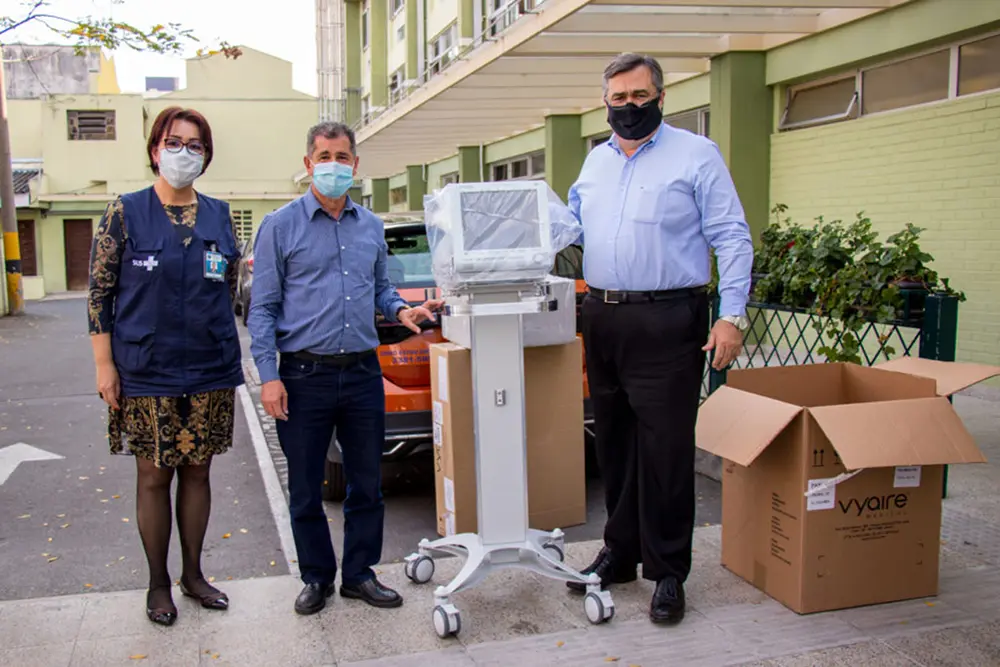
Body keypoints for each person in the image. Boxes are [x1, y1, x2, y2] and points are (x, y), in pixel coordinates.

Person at [565, 53, 753, 626]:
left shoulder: (697, 155)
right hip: (602, 317)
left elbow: (732, 237)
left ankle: (668, 571)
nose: (628, 108)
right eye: (617, 99)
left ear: (661, 97)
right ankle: (619, 553)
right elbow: (572, 229)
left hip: (671, 319)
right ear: (605, 102)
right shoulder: (594, 163)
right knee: (614, 443)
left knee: (667, 450)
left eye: (639, 96)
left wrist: (732, 317)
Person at [248, 121, 442, 616]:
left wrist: (400, 310)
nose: (333, 164)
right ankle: (316, 577)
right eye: (323, 156)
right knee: (307, 487)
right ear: (308, 163)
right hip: (302, 376)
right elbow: (263, 309)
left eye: (342, 156)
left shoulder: (371, 226)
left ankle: (359, 574)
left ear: (355, 165)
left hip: (361, 373)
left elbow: (381, 287)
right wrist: (268, 376)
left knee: (366, 483)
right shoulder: (280, 226)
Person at [88, 106, 244, 626]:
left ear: (206, 155)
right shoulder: (125, 211)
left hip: (209, 365)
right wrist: (105, 366)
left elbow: (230, 285)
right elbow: (99, 295)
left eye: (195, 145)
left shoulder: (220, 215)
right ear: (155, 150)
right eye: (174, 142)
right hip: (146, 368)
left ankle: (193, 575)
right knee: (154, 474)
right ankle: (159, 583)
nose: (184, 152)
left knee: (198, 470)